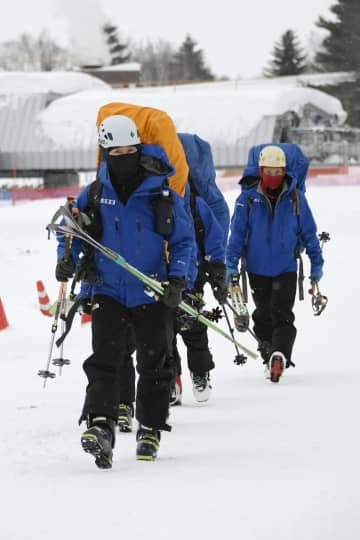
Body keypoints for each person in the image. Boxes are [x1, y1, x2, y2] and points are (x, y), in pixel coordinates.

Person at [55, 114, 194, 467]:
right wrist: (66, 258)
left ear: (139, 147)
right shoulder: (96, 193)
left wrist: (178, 279)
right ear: (105, 152)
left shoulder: (160, 191)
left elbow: (183, 241)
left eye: (130, 150)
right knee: (105, 359)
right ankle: (100, 425)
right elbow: (69, 227)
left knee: (154, 362)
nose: (123, 157)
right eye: (115, 152)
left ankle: (150, 427)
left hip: (152, 289)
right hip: (107, 290)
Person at [226, 145, 324, 382]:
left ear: (284, 171)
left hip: (286, 269)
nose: (273, 175)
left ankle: (279, 353)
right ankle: (269, 354)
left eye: (277, 171)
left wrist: (316, 265)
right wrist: (230, 265)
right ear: (260, 170)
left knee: (282, 314)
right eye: (268, 170)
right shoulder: (247, 199)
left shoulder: (295, 198)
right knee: (262, 316)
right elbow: (236, 235)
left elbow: (309, 234)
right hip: (257, 270)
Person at [171, 189, 227, 404]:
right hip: (160, 278)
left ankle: (200, 373)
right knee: (164, 333)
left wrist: (218, 270)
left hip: (193, 276)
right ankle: (170, 379)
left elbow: (214, 237)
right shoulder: (152, 197)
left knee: (193, 327)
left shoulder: (196, 204)